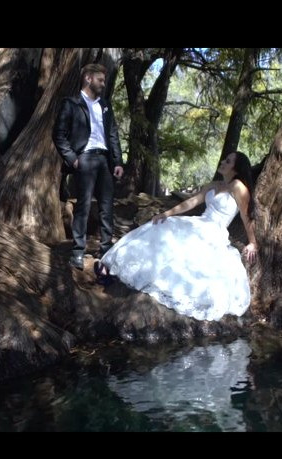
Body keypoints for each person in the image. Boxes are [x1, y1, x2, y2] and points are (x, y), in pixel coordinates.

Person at [97, 151, 258, 321]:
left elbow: (246, 216)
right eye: (225, 159)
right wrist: (166, 214)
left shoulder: (238, 187)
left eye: (228, 161)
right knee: (162, 227)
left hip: (215, 231)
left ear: (236, 168)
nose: (223, 162)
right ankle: (117, 266)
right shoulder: (214, 184)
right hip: (200, 222)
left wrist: (253, 242)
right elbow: (191, 202)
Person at [53, 63, 124, 270]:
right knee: (83, 206)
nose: (103, 84)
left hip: (105, 161)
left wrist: (117, 161)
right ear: (88, 79)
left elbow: (113, 135)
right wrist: (72, 158)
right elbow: (58, 134)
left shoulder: (105, 105)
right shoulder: (71, 104)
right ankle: (77, 252)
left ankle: (105, 249)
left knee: (106, 207)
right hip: (84, 159)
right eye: (100, 80)